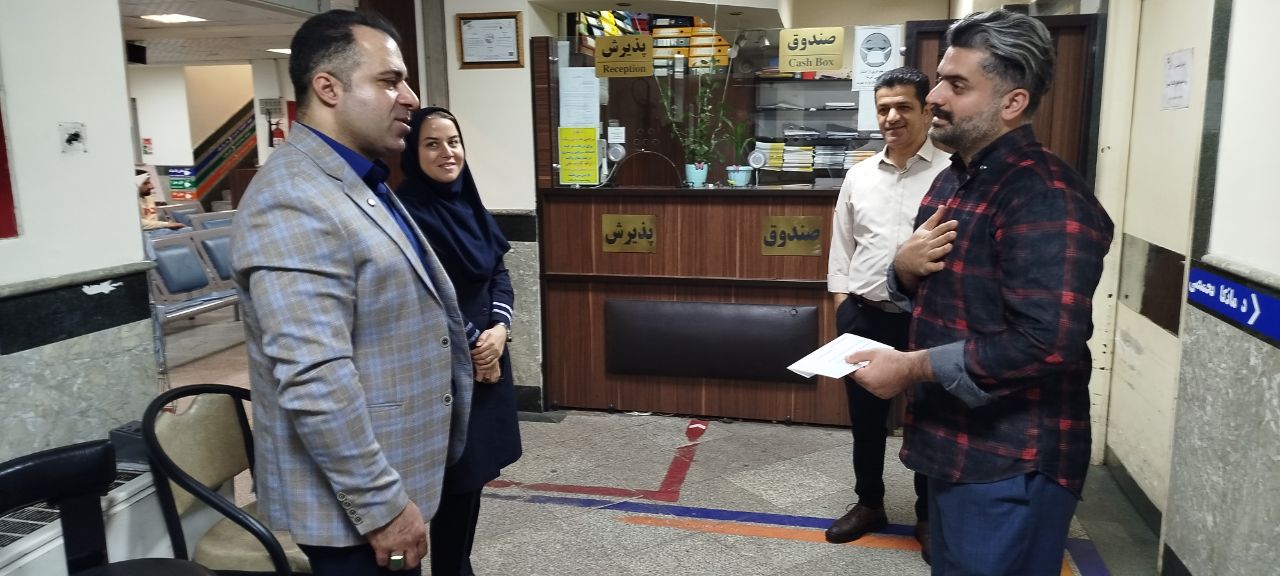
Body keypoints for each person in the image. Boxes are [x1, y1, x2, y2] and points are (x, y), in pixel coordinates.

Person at [848, 10, 1114, 575]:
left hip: (1011, 458)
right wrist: (902, 271)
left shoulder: (1044, 196)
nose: (935, 97)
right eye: (940, 79)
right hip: (953, 444)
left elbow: (1046, 343)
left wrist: (912, 367)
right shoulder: (955, 181)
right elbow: (938, 292)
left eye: (957, 85)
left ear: (1013, 102)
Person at [230, 9, 472, 575]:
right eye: (389, 81)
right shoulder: (293, 198)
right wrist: (382, 506)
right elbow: (315, 376)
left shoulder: (354, 178)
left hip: (395, 470)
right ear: (328, 88)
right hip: (354, 511)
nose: (410, 98)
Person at [823, 67, 946, 563]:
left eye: (903, 107)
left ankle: (928, 516)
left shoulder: (950, 173)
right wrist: (843, 309)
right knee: (866, 420)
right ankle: (869, 503)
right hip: (865, 316)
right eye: (883, 108)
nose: (892, 117)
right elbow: (842, 247)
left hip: (925, 320)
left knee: (928, 418)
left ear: (927, 111)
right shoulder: (859, 175)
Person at [395, 107, 522, 576]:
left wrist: (499, 332)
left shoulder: (470, 204)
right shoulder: (406, 213)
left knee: (473, 479)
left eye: (453, 141)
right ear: (412, 153)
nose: (447, 152)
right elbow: (427, 296)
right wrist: (477, 349)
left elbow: (499, 274)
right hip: (444, 369)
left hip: (488, 356)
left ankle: (457, 565)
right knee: (452, 481)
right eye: (431, 143)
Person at [137, 170, 188, 235]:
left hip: (156, 230)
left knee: (189, 227)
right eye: (145, 183)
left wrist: (169, 222)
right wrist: (166, 224)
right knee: (189, 230)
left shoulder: (148, 197)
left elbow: (152, 219)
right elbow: (138, 223)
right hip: (144, 234)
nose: (152, 186)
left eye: (149, 182)